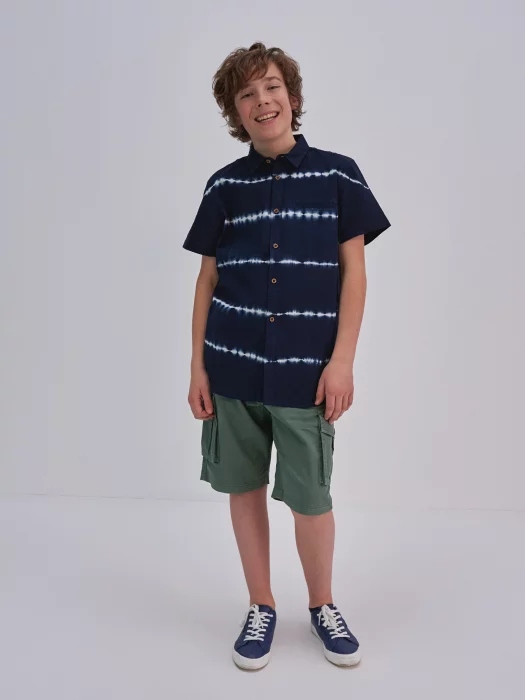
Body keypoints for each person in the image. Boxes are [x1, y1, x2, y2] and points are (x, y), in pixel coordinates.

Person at [182, 42, 391, 670]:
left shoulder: (339, 175)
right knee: (243, 487)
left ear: (292, 97)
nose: (262, 101)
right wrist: (197, 366)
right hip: (232, 367)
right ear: (235, 112)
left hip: (307, 373)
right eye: (246, 94)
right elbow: (207, 280)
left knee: (310, 497)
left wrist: (342, 361)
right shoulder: (224, 185)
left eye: (271, 87)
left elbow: (355, 274)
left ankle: (322, 604)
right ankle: (261, 604)